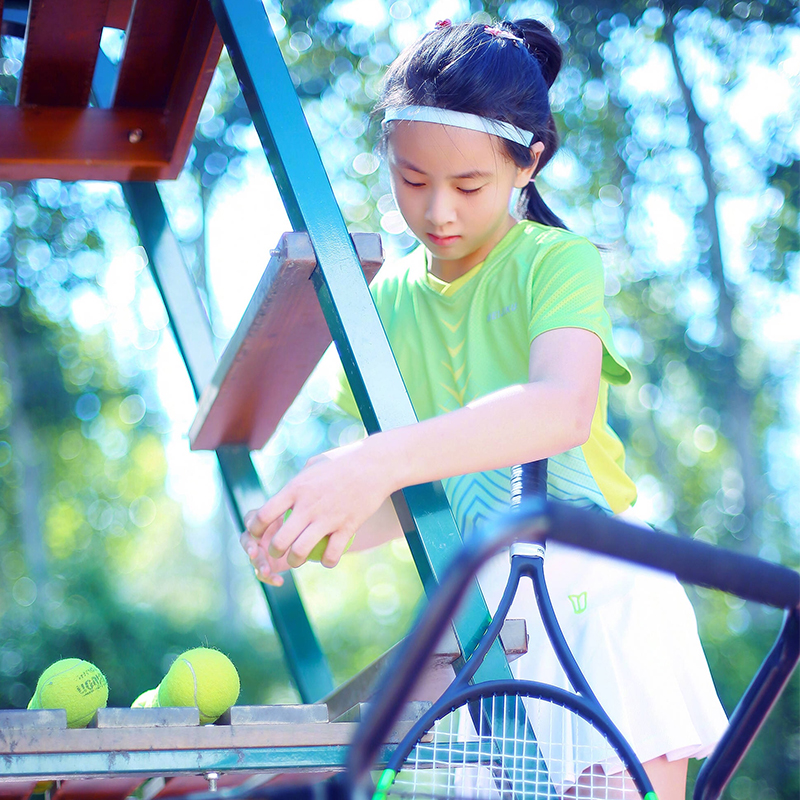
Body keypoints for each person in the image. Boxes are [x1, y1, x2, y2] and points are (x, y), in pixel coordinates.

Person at [241, 18, 728, 799]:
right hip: (482, 624)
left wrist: (374, 461)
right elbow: (416, 500)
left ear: (527, 164)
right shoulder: (385, 303)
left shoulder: (555, 261)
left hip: (601, 595)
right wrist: (313, 523)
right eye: (410, 179)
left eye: (468, 186)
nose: (438, 211)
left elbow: (558, 410)